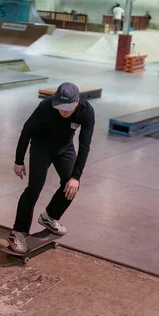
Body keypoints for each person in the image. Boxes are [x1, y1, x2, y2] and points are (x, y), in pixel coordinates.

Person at [8, 82, 95, 253]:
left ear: (76, 102)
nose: (63, 112)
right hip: (42, 146)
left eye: (67, 109)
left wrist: (76, 177)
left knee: (70, 185)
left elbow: (85, 145)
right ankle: (18, 232)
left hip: (65, 147)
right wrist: (19, 161)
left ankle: (50, 217)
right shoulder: (46, 106)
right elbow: (26, 131)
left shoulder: (86, 111)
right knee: (35, 187)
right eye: (60, 108)